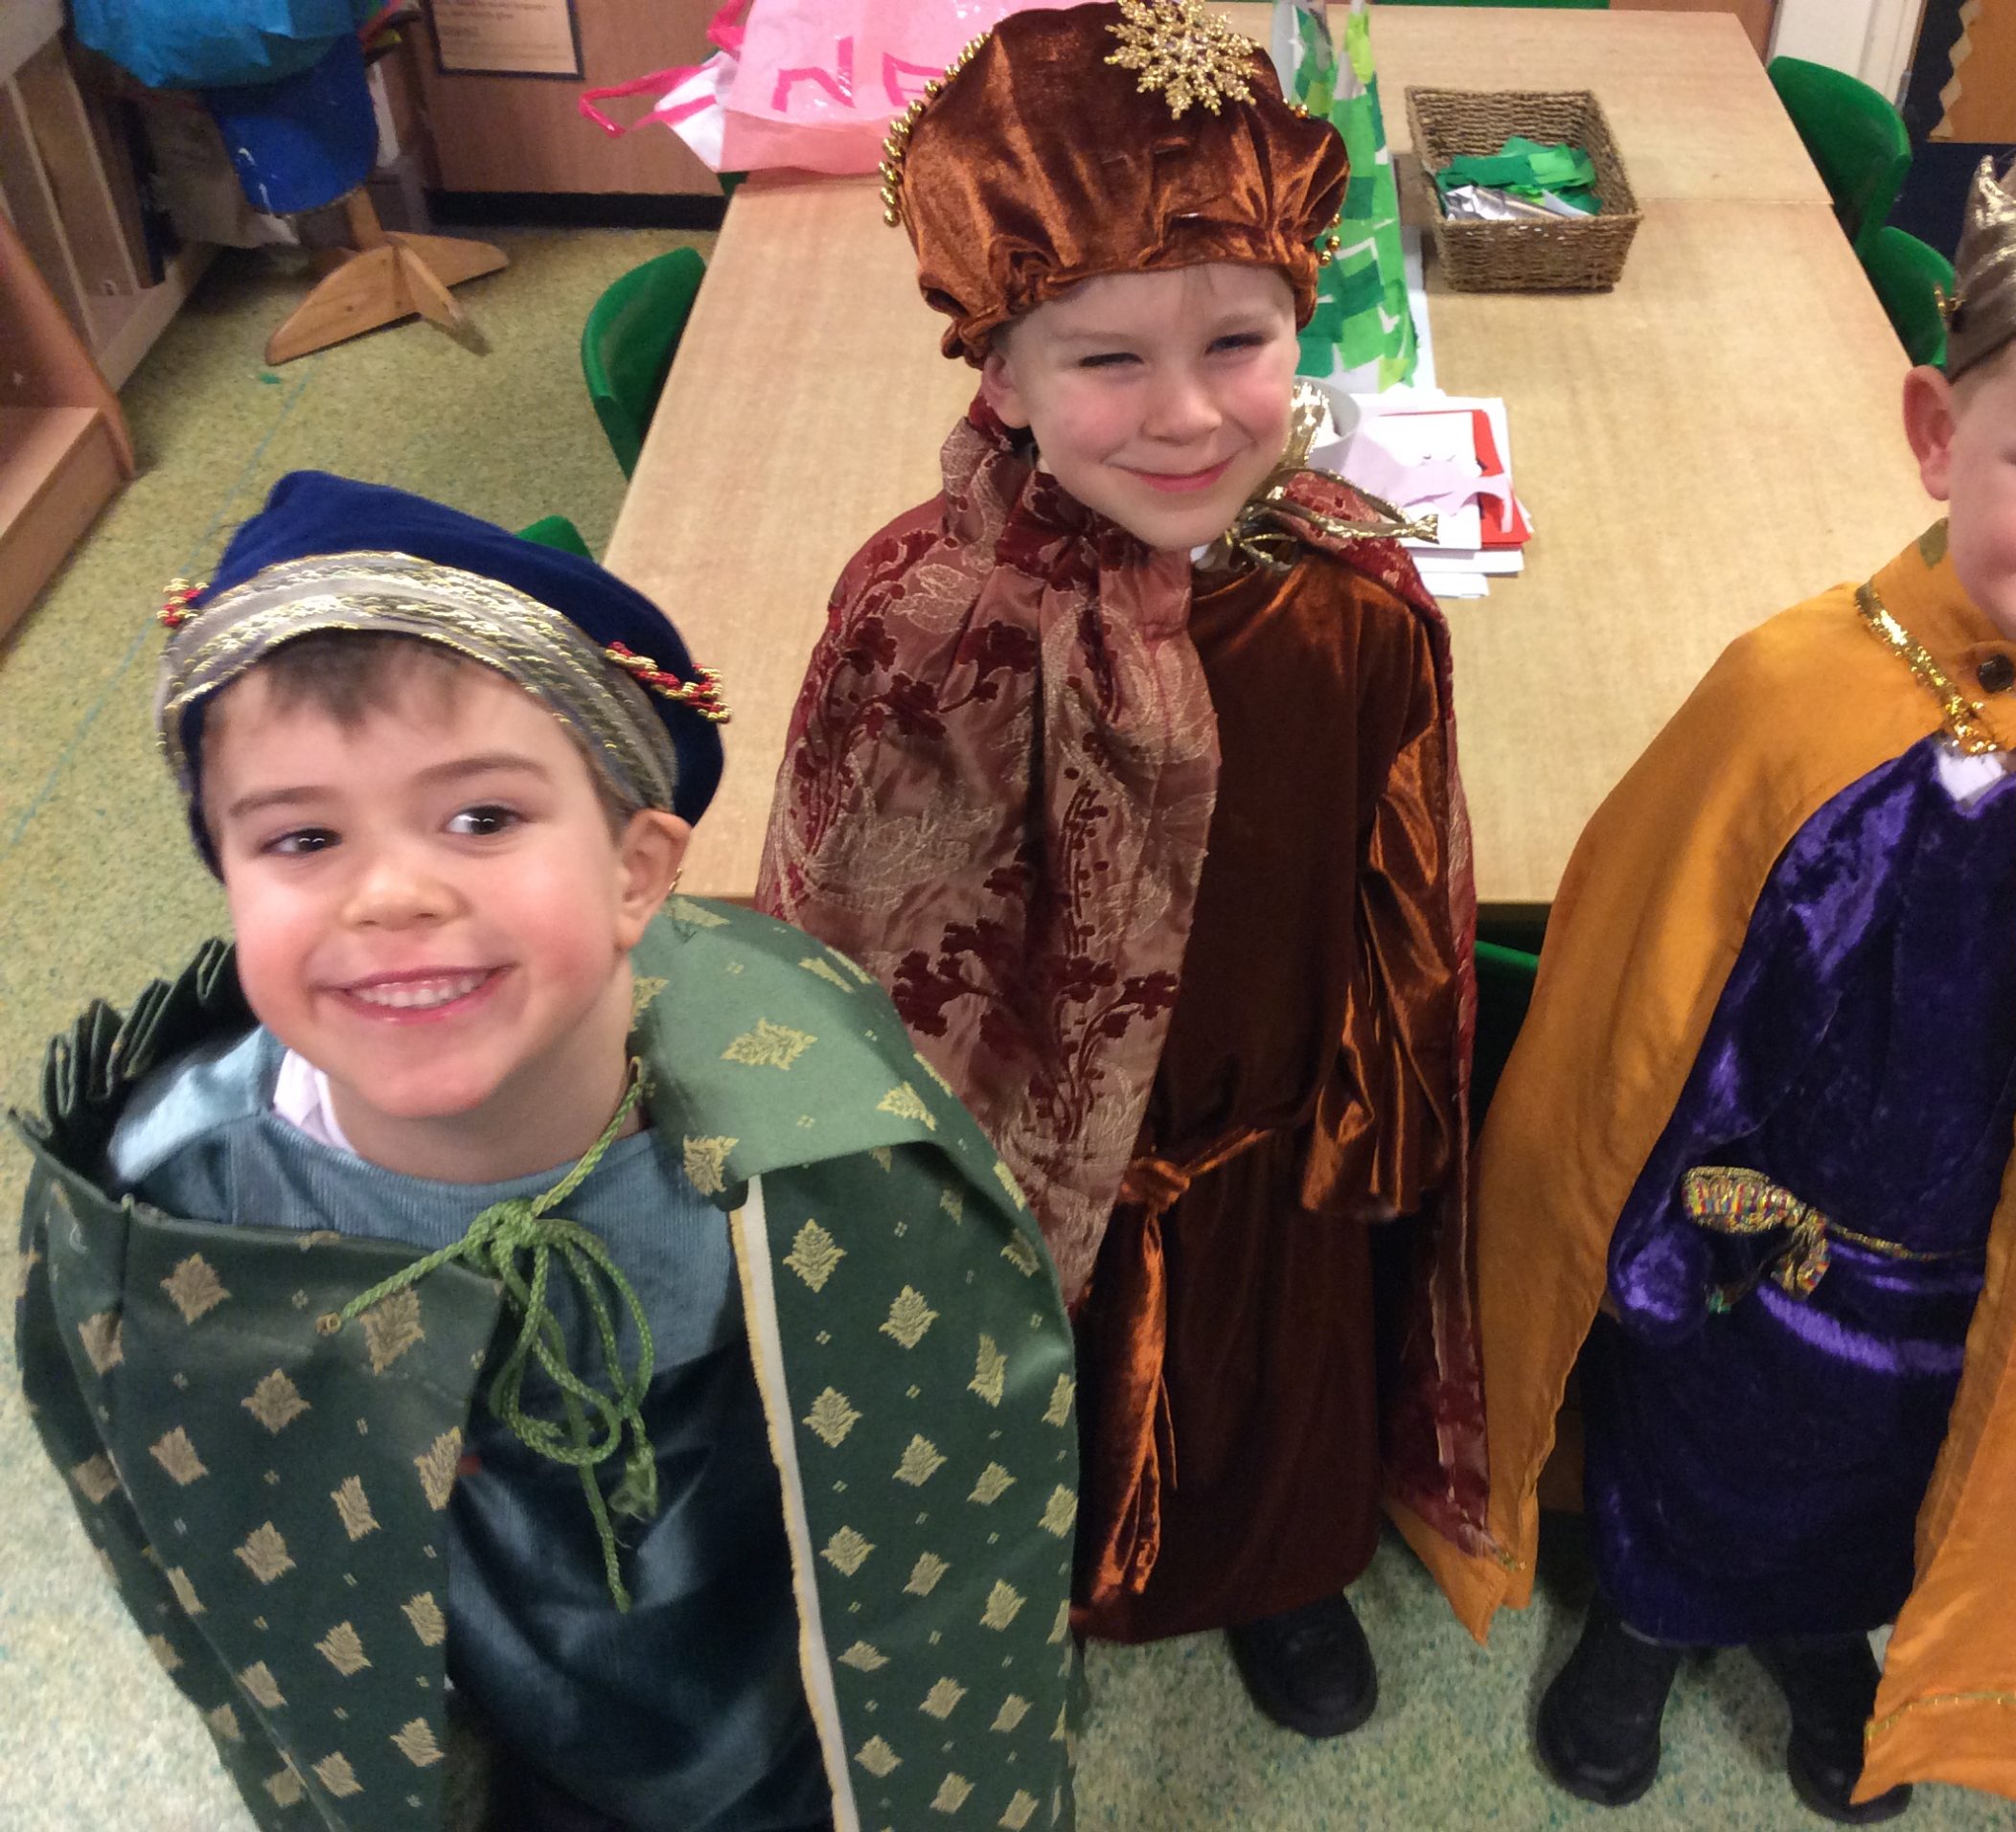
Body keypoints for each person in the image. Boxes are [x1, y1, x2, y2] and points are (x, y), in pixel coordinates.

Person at [1409, 77, 2016, 1821]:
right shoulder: (1801, 694)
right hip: (1750, 1225)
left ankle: (1827, 1632)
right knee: (1708, 1424)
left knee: (1915, 1460)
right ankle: (1645, 1614)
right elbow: (1642, 1003)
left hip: (1998, 1265)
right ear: (1939, 432)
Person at [13, 472, 1080, 1832]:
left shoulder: (820, 1139)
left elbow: (946, 1498)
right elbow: (205, 1543)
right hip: (471, 1702)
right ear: (227, 875)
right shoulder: (175, 1204)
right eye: (301, 837)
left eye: (482, 818)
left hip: (783, 1694)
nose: (393, 893)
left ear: (637, 871)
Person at [755, 1, 1489, 1739]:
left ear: (1304, 323)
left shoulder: (1347, 602)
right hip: (1012, 1184)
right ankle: (1025, 1586)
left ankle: (1273, 1572)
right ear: (1000, 373)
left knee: (1266, 1393)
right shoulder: (929, 626)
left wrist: (1381, 1116)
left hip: (1262, 1154)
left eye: (1239, 341)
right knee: (1026, 1425)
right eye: (1105, 360)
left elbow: (1402, 886)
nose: (1187, 415)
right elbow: (845, 932)